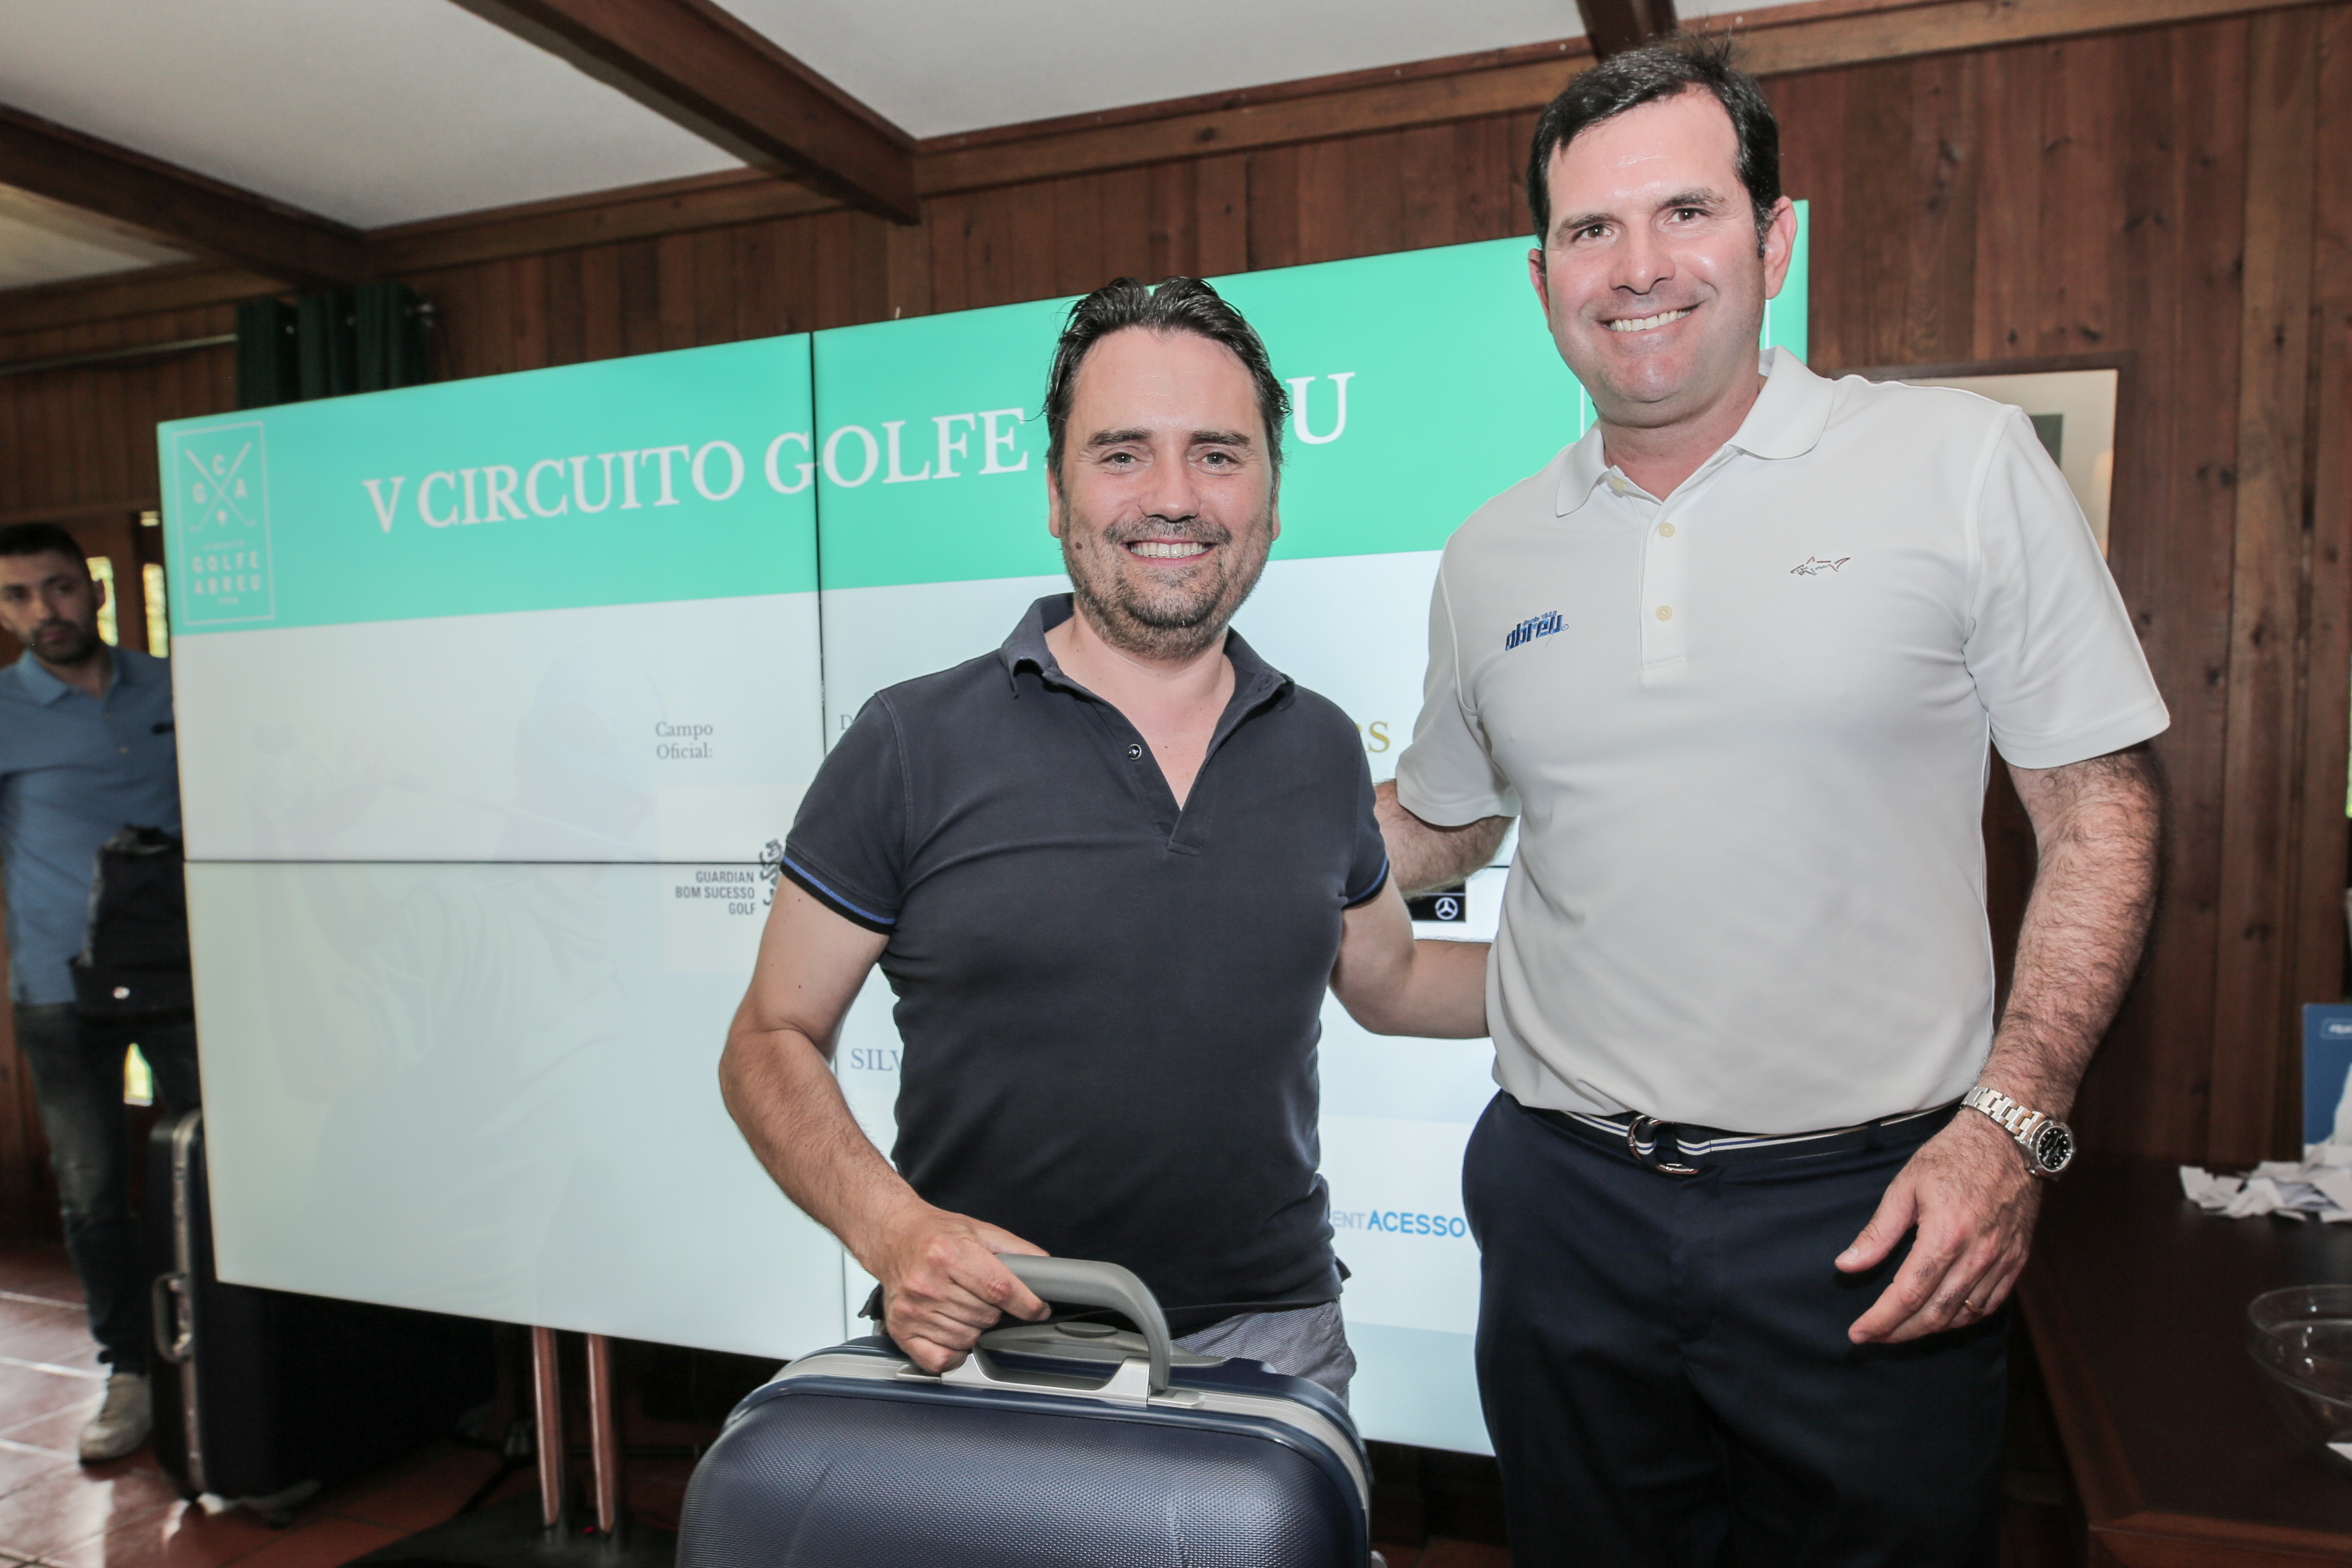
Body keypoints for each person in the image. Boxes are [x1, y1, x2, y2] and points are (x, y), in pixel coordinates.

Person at [1377, 39, 2167, 1565]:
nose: (1637, 266)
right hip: (1564, 1209)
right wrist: (1229, 825)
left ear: (1773, 239)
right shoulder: (1490, 552)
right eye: (1590, 229)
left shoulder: (1958, 465)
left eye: (1685, 212)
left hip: (1875, 1214)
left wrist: (2013, 1126)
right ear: (1540, 278)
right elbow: (1445, 818)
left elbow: (2100, 816)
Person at [720, 277, 1487, 1396]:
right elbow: (768, 1035)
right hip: (989, 1341)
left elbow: (1394, 980)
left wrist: (1622, 982)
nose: (1172, 497)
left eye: (1217, 454)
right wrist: (894, 1230)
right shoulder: (908, 740)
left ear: (1272, 497)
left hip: (1275, 1346)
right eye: (1123, 453)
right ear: (1055, 491)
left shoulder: (1319, 743)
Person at [0, 523, 198, 1462]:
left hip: (182, 976)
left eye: (59, 587)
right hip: (57, 987)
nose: (45, 610)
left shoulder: (174, 685)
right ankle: (130, 1372)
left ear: (97, 590)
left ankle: (226, 1350)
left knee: (214, 1170)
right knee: (91, 1193)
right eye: (19, 595)